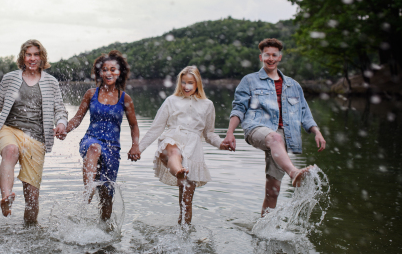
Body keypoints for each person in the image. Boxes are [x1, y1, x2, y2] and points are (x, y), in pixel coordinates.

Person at [222, 38, 326, 216]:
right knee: (274, 137)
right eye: (267, 55)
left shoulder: (293, 85)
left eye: (274, 55)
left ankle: (263, 229)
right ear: (261, 57)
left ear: (280, 57)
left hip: (284, 136)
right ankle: (294, 173)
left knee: (273, 191)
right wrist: (230, 132)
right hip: (257, 128)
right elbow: (238, 108)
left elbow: (304, 112)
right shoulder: (249, 81)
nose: (270, 58)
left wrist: (316, 131)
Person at [0, 40, 68, 225]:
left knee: (32, 198)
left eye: (36, 55)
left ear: (42, 58)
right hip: (10, 129)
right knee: (10, 151)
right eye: (28, 54)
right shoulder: (10, 78)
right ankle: (6, 199)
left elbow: (60, 110)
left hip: (37, 138)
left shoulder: (51, 82)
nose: (32, 58)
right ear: (23, 57)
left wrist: (62, 124)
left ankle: (30, 231)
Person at [139, 66, 228, 225]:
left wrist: (222, 144)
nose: (186, 87)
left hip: (193, 150)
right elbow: (156, 128)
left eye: (190, 83)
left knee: (186, 202)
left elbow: (209, 134)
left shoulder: (207, 105)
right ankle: (178, 171)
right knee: (174, 152)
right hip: (172, 139)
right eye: (183, 83)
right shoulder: (171, 101)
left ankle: (184, 234)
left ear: (197, 84)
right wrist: (138, 149)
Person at [62, 50, 141, 222]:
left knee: (107, 197)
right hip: (91, 138)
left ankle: (104, 230)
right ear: (99, 72)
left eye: (113, 69)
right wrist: (64, 129)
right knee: (94, 148)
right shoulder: (91, 94)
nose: (108, 73)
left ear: (120, 73)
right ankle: (89, 188)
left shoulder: (125, 98)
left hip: (112, 148)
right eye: (105, 69)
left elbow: (134, 125)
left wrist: (135, 145)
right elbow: (77, 118)